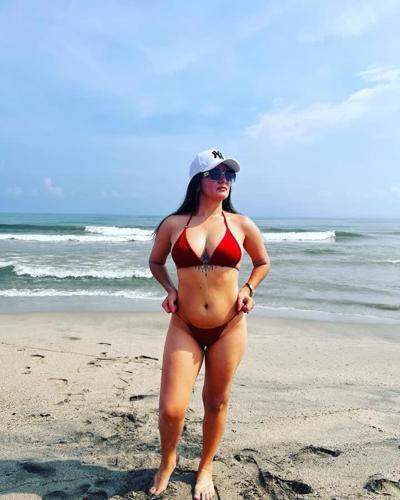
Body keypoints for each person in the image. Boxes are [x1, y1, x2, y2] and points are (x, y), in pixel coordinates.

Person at [148, 148, 270, 499]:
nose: (224, 180)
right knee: (171, 408)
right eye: (216, 174)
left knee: (216, 402)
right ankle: (168, 461)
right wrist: (170, 289)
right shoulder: (174, 224)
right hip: (184, 324)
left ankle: (205, 467)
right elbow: (156, 261)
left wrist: (247, 289)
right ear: (198, 180)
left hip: (229, 326)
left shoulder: (242, 224)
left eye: (229, 175)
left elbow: (262, 262)